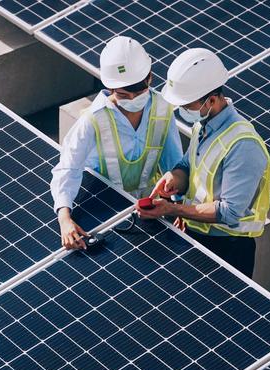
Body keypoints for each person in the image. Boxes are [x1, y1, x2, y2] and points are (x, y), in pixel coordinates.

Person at [137, 48, 270, 278]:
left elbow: (229, 212)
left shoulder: (243, 145)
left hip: (229, 249)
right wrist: (174, 179)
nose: (182, 110)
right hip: (196, 234)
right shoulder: (203, 125)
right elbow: (188, 165)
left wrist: (173, 209)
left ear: (211, 100)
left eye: (187, 105)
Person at [51, 36, 183, 250]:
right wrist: (64, 219)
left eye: (138, 92)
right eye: (123, 94)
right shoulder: (93, 118)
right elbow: (68, 167)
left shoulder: (163, 109)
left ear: (149, 78)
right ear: (110, 87)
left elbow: (174, 164)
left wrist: (178, 204)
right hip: (102, 209)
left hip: (146, 212)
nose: (131, 99)